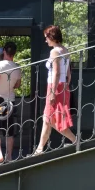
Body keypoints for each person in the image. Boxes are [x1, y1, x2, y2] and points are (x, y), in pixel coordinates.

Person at [34, 25, 76, 155]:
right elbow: (68, 73)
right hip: (62, 86)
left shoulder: (54, 52)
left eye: (46, 38)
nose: (46, 40)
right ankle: (39, 149)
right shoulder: (65, 50)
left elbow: (57, 73)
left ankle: (76, 140)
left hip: (54, 86)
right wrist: (65, 85)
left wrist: (52, 92)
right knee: (48, 118)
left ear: (52, 37)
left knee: (52, 119)